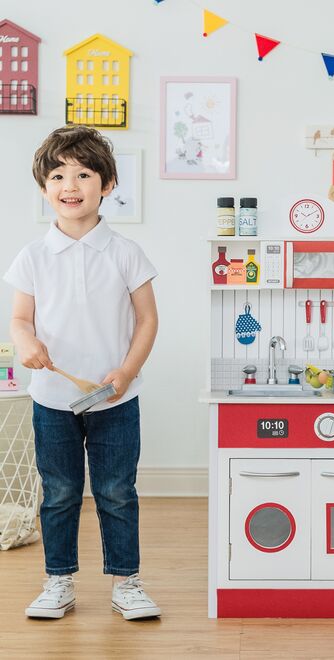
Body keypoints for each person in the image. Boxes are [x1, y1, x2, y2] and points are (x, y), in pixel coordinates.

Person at [3, 125, 161, 620]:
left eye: (83, 173)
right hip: (53, 397)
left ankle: (127, 583)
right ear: (44, 188)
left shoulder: (125, 252)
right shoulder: (33, 255)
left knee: (116, 491)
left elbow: (147, 319)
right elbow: (20, 319)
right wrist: (26, 343)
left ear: (108, 184)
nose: (70, 184)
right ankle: (58, 581)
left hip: (115, 397)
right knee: (61, 492)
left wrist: (127, 371)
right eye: (57, 175)